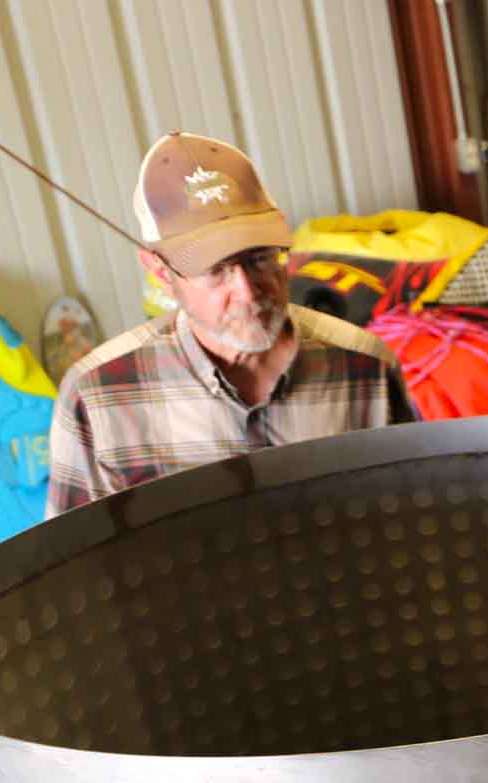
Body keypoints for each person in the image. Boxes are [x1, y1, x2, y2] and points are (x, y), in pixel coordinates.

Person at [45, 133, 414, 517]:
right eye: (216, 270)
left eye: (259, 259)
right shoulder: (98, 395)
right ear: (158, 269)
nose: (249, 293)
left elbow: (412, 511)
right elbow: (74, 569)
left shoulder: (366, 366)